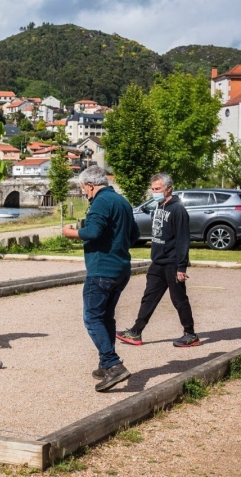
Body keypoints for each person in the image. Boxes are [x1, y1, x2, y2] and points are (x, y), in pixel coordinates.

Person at [62, 166, 140, 392]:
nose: (84, 194)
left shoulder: (100, 202)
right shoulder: (121, 201)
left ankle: (113, 364)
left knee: (92, 317)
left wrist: (70, 233)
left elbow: (93, 232)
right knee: (106, 317)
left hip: (102, 270)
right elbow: (133, 234)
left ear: (90, 185)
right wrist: (117, 245)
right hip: (121, 268)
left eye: (83, 189)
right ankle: (104, 364)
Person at [116, 173, 199, 348]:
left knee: (179, 300)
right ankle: (136, 332)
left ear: (169, 188)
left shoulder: (178, 210)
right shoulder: (159, 206)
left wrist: (181, 266)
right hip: (158, 262)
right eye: (153, 189)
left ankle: (190, 334)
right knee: (149, 298)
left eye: (158, 189)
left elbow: (183, 239)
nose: (154, 192)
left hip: (172, 263)